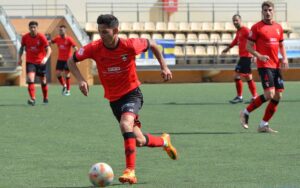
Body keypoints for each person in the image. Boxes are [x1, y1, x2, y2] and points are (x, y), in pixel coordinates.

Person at [67, 14, 178, 184]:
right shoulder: (94, 48)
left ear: (116, 30)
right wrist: (81, 80)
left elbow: (153, 44)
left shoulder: (129, 45)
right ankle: (164, 141)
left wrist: (164, 67)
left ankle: (130, 171)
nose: (101, 35)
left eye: (105, 32)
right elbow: (71, 61)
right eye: (99, 32)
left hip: (132, 93)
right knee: (139, 140)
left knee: (125, 124)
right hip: (114, 100)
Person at [240, 1, 289, 133]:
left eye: (270, 10)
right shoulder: (256, 27)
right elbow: (248, 47)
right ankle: (245, 112)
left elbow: (281, 45)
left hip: (276, 65)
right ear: (262, 12)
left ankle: (263, 124)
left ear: (273, 11)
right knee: (270, 94)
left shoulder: (279, 27)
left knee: (278, 96)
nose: (268, 12)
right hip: (264, 65)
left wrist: (284, 57)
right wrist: (259, 56)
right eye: (265, 10)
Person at [222, 14, 258, 104]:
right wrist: (227, 48)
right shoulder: (239, 31)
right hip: (243, 57)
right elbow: (235, 41)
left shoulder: (246, 30)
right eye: (233, 20)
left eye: (236, 20)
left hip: (247, 56)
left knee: (242, 76)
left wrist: (254, 55)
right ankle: (246, 96)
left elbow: (254, 41)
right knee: (242, 76)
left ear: (240, 20)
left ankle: (250, 97)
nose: (235, 22)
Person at [19, 21, 52, 106]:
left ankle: (45, 98)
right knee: (30, 79)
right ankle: (33, 99)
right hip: (30, 62)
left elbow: (49, 49)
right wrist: (20, 58)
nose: (33, 29)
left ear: (37, 28)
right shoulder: (25, 37)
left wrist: (45, 58)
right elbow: (21, 48)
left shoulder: (41, 37)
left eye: (34, 27)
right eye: (31, 27)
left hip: (41, 62)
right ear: (29, 28)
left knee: (43, 81)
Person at [51, 25, 77, 96]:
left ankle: (68, 90)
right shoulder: (57, 38)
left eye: (61, 30)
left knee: (67, 74)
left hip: (68, 60)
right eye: (59, 30)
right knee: (58, 73)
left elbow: (75, 47)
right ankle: (64, 85)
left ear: (65, 31)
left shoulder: (69, 39)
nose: (60, 31)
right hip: (60, 60)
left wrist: (78, 58)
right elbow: (51, 42)